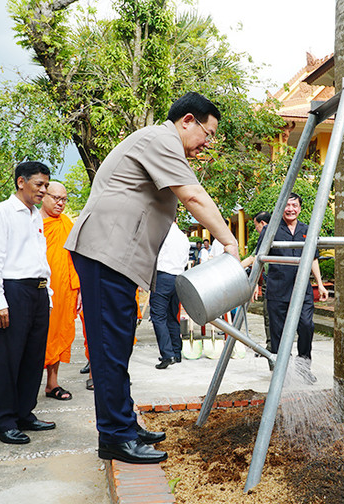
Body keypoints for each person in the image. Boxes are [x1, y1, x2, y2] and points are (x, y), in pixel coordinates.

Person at [65, 91, 239, 464]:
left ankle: (125, 423)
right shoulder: (161, 139)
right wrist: (229, 241)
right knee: (110, 346)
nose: (206, 144)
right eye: (206, 134)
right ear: (187, 120)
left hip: (115, 259)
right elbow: (192, 195)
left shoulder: (159, 142)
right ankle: (114, 436)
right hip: (103, 253)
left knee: (118, 344)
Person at [0, 161, 56, 445]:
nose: (43, 190)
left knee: (33, 357)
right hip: (13, 291)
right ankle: (3, 422)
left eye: (46, 185)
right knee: (9, 359)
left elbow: (40, 258)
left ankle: (25, 413)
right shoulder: (1, 213)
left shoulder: (35, 214)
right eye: (39, 184)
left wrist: (46, 293)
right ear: (20, 182)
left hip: (37, 291)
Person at [259, 193, 328, 382]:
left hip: (301, 289)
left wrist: (320, 284)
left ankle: (304, 368)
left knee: (307, 326)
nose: (291, 209)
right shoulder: (271, 230)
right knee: (277, 334)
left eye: (294, 205)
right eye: (287, 205)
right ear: (282, 208)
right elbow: (260, 258)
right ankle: (282, 373)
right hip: (277, 289)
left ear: (299, 208)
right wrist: (253, 286)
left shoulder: (307, 230)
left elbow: (313, 257)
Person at [40, 181, 81, 401]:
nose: (60, 203)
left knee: (58, 335)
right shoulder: (34, 222)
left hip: (64, 289)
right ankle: (27, 386)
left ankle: (52, 384)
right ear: (44, 195)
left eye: (64, 199)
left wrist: (79, 288)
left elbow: (76, 258)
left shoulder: (66, 222)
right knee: (37, 336)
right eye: (56, 198)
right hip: (39, 289)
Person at [151, 221, 190, 369]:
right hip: (178, 278)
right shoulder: (183, 237)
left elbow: (152, 256)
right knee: (173, 316)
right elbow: (185, 260)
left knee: (158, 317)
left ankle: (168, 355)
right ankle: (176, 352)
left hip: (163, 277)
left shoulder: (162, 233)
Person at [242, 211, 271, 350]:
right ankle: (271, 347)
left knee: (270, 315)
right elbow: (253, 257)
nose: (256, 230)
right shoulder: (264, 238)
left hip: (274, 280)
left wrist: (254, 283)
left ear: (263, 224)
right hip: (267, 279)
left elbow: (256, 260)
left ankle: (273, 348)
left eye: (256, 226)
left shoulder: (268, 234)